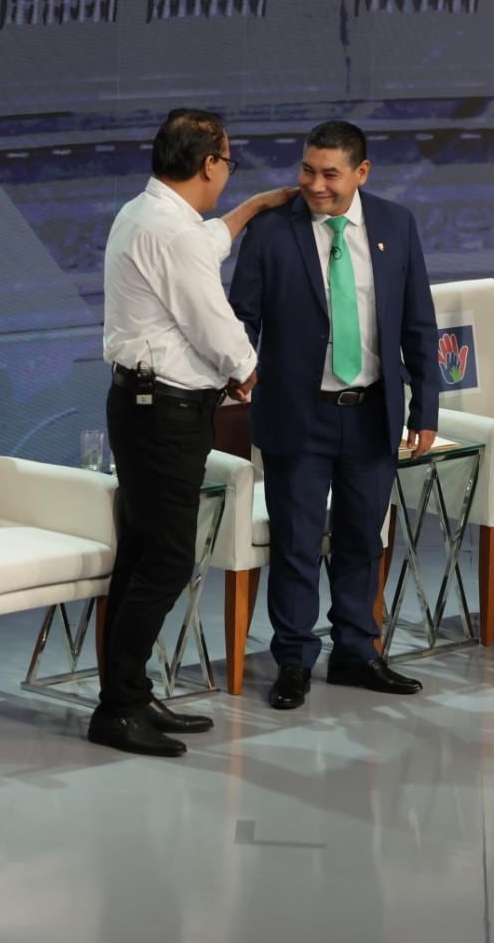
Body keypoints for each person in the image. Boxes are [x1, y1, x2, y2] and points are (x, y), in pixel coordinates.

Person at [94, 110, 296, 757]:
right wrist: (256, 377)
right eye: (228, 162)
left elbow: (206, 243)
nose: (227, 173)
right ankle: (118, 708)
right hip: (163, 415)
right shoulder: (168, 233)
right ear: (208, 163)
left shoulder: (147, 214)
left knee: (143, 552)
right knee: (168, 557)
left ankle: (128, 691)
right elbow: (215, 323)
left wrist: (254, 207)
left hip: (148, 408)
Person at [229, 120, 438, 711]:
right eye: (306, 170)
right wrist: (239, 369)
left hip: (371, 411)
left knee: (360, 539)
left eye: (329, 174)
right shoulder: (272, 230)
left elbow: (418, 321)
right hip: (299, 413)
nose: (314, 185)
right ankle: (293, 659)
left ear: (361, 173)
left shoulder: (396, 225)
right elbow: (242, 314)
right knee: (296, 542)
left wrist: (425, 406)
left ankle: (356, 652)